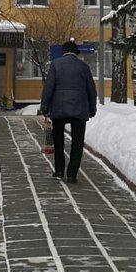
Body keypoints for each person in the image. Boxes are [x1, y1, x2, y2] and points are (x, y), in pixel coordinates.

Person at [39, 40, 97, 183]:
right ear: (76, 53)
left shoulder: (56, 65)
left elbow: (49, 88)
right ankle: (72, 173)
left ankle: (59, 170)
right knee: (77, 142)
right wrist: (92, 108)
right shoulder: (84, 67)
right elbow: (91, 89)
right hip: (79, 109)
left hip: (59, 109)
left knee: (58, 140)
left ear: (63, 52)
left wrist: (44, 106)